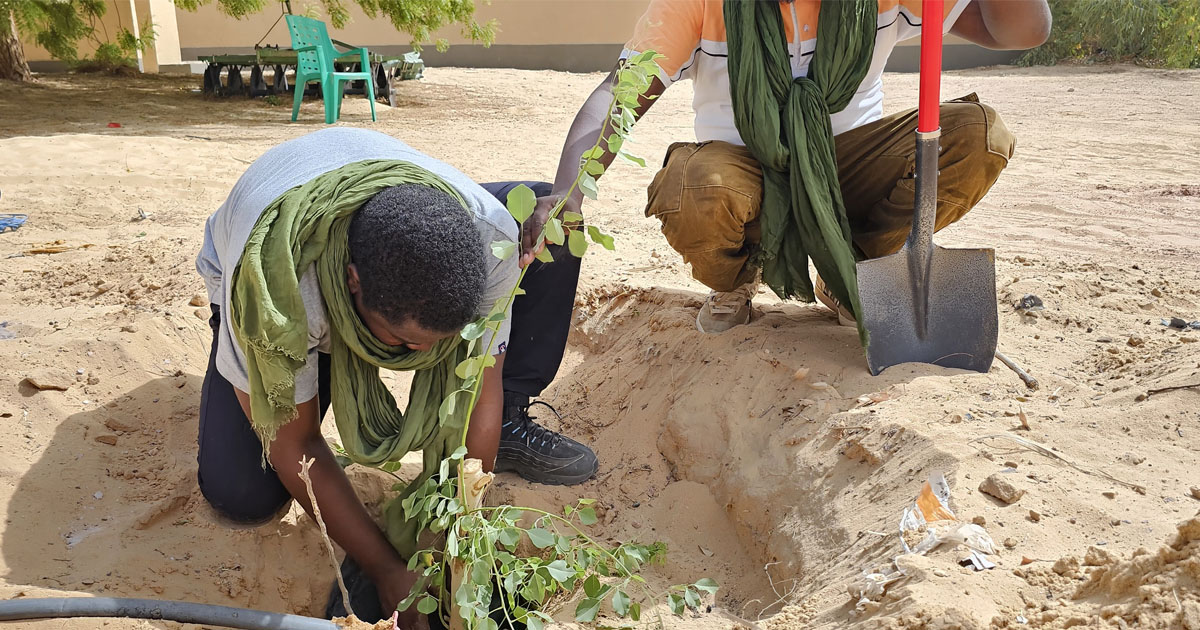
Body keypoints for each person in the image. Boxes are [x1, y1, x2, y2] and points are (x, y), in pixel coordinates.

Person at [194, 128, 596, 622]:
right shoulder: (277, 290)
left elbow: (477, 392)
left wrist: (460, 534)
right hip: (263, 231)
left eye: (442, 344)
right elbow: (293, 442)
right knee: (242, 493)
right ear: (353, 282)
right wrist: (384, 568)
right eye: (405, 344)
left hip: (404, 198)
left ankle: (516, 419)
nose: (425, 356)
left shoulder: (490, 246)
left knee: (550, 221)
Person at [534, 0, 1052, 333]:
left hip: (847, 175)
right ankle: (738, 275)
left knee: (979, 134)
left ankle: (849, 267)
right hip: (746, 184)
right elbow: (619, 92)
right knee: (694, 187)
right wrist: (569, 190)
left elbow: (1024, 29)